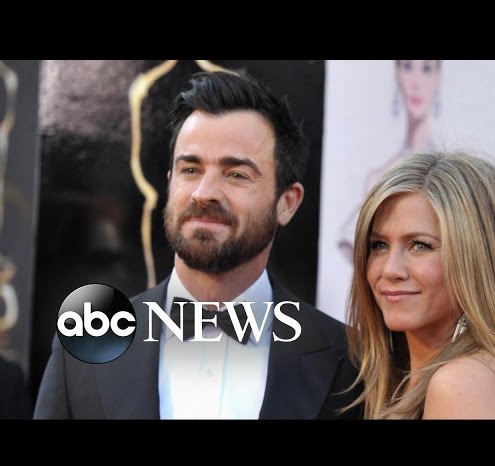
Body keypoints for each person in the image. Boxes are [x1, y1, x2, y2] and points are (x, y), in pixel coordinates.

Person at [34, 70, 362, 419]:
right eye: (190, 169)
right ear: (170, 182)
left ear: (287, 202)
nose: (204, 193)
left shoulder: (350, 361)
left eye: (236, 174)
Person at [346, 151, 495, 419]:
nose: (390, 270)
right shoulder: (399, 379)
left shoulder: (462, 384)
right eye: (379, 245)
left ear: (475, 257)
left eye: (420, 245)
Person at [338, 60, 442, 261]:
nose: (416, 82)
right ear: (397, 73)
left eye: (426, 68)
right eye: (407, 67)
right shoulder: (378, 179)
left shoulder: (452, 183)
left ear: (438, 75)